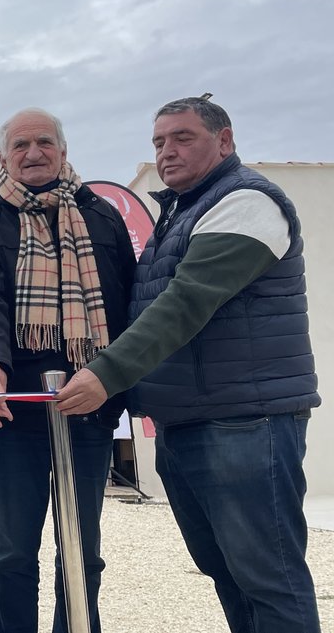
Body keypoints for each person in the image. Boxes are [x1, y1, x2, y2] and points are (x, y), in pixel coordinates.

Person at [55, 96, 321, 633]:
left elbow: (185, 302)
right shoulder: (183, 211)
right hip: (191, 421)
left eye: (183, 138)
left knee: (268, 578)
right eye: (159, 142)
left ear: (224, 141)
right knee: (229, 574)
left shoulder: (246, 202)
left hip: (244, 422)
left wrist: (106, 374)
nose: (167, 152)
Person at [0, 108, 136, 633]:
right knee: (14, 550)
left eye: (44, 142)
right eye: (20, 145)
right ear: (3, 157)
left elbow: (127, 303)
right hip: (16, 411)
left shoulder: (102, 217)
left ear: (63, 150)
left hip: (91, 404)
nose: (33, 153)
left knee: (83, 548)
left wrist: (119, 380)